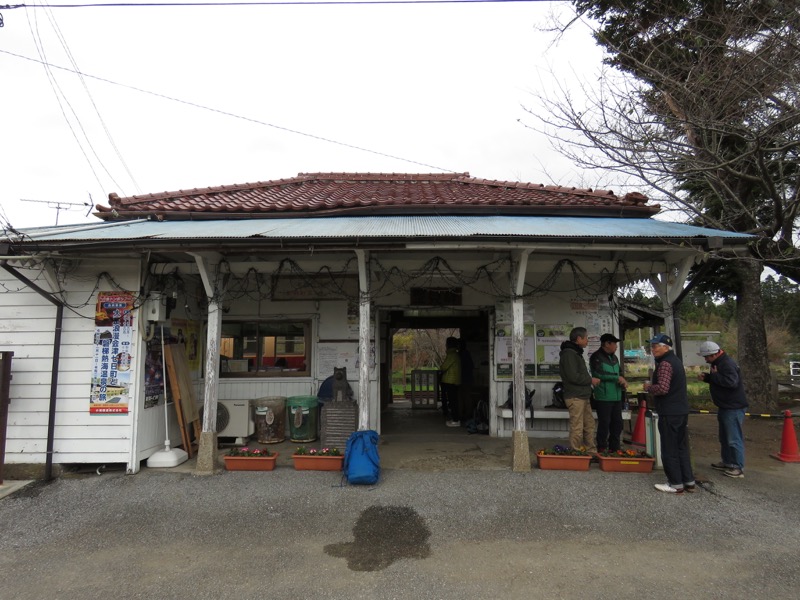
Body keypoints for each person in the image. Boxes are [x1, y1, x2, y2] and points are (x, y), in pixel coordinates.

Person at [644, 333, 696, 494]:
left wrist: (648, 388)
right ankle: (688, 481)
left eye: (655, 346)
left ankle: (675, 483)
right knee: (681, 447)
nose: (652, 349)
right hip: (680, 410)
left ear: (665, 347)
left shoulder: (666, 363)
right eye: (652, 346)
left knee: (669, 448)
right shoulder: (676, 361)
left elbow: (663, 388)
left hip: (670, 411)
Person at [697, 341, 747, 478]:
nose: (705, 359)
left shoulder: (726, 363)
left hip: (733, 406)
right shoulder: (718, 363)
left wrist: (713, 377)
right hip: (726, 405)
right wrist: (709, 378)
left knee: (733, 438)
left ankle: (738, 466)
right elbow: (721, 379)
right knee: (725, 437)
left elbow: (731, 382)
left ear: (713, 354)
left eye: (706, 357)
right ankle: (728, 462)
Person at [559, 327, 600, 452]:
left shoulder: (576, 353)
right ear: (578, 339)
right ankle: (576, 452)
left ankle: (591, 451)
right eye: (586, 337)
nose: (587, 340)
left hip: (583, 395)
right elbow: (572, 376)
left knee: (589, 425)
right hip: (575, 396)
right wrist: (590, 380)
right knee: (577, 426)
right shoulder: (568, 354)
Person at [590, 333, 628, 452]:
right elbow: (598, 374)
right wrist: (616, 378)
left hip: (616, 396)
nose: (616, 346)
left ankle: (614, 448)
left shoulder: (615, 357)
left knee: (617, 424)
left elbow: (620, 373)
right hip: (603, 397)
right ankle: (601, 447)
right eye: (614, 343)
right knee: (604, 424)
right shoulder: (596, 357)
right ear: (607, 344)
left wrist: (623, 380)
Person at [439, 336, 462, 427]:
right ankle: (455, 419)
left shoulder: (451, 355)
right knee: (453, 400)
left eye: (446, 343)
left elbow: (444, 367)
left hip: (450, 381)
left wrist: (441, 369)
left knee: (453, 401)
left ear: (449, 344)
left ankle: (456, 420)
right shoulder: (455, 354)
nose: (445, 345)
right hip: (454, 381)